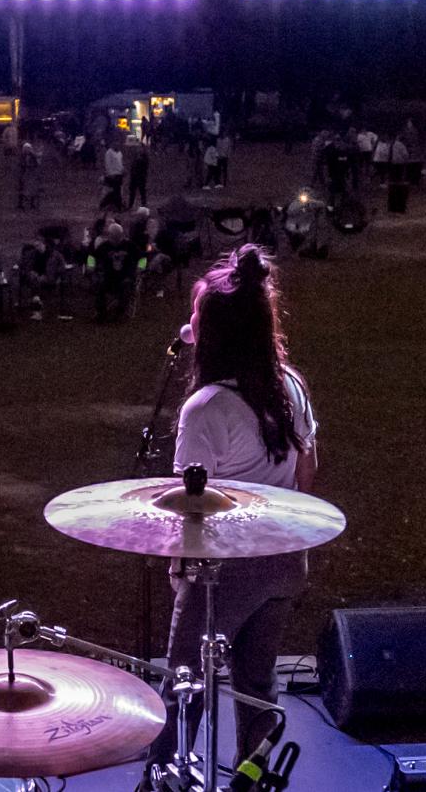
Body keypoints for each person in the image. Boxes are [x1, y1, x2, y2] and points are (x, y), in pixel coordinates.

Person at [167, 245, 318, 763]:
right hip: (285, 559)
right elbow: (306, 471)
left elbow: (191, 506)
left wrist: (182, 569)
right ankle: (257, 779)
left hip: (225, 572)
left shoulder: (206, 409)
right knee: (257, 684)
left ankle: (163, 776)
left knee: (184, 686)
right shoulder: (290, 386)